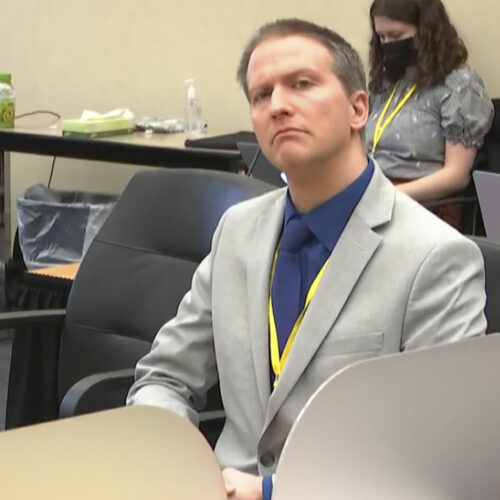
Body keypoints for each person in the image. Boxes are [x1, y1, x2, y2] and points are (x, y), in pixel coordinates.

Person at [127, 18, 486, 500]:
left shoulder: (435, 257)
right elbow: (164, 376)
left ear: (359, 108)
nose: (278, 106)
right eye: (261, 95)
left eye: (301, 84)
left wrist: (273, 491)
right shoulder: (237, 231)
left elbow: (439, 459)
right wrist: (182, 467)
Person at [365, 0, 494, 228]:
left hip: (423, 205)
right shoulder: (387, 83)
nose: (388, 45)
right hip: (374, 193)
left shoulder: (459, 85)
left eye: (396, 36)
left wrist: (389, 195)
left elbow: (456, 176)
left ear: (427, 33)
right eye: (382, 38)